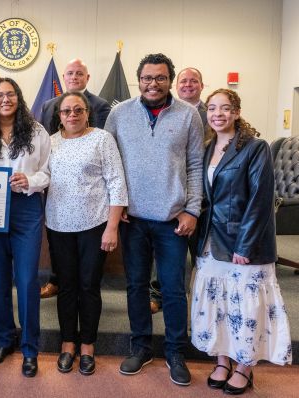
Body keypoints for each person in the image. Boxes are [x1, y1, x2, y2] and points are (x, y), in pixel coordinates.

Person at [104, 53, 204, 386]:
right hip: (133, 220)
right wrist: (115, 211)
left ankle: (176, 352)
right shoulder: (119, 114)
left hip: (172, 220)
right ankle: (141, 346)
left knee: (174, 290)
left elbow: (195, 166)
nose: (153, 83)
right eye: (147, 78)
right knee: (135, 287)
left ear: (170, 80)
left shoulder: (189, 116)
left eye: (160, 77)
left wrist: (192, 209)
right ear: (139, 80)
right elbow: (110, 165)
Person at [191, 88, 292, 394]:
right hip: (211, 241)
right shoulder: (207, 147)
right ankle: (223, 361)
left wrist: (245, 246)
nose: (217, 114)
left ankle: (245, 366)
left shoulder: (254, 147)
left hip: (242, 243)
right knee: (218, 303)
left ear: (236, 112)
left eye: (225, 108)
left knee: (245, 308)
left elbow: (261, 201)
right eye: (212, 109)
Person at [0, 77, 50, 378]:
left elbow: (47, 170)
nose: (5, 99)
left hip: (26, 208)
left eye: (10, 94)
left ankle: (30, 348)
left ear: (19, 97)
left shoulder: (37, 130)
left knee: (27, 280)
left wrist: (31, 180)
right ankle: (4, 339)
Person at [46, 92, 127, 375]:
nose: (72, 115)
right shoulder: (50, 142)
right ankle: (68, 343)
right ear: (59, 115)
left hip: (95, 226)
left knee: (89, 286)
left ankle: (88, 347)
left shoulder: (102, 139)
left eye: (77, 110)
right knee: (67, 287)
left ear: (87, 112)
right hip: (58, 226)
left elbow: (116, 182)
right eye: (66, 111)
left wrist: (112, 226)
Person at [38, 59, 111, 299]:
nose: (74, 77)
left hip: (90, 194)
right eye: (70, 73)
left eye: (80, 73)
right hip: (58, 189)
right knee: (63, 259)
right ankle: (56, 280)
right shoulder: (49, 104)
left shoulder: (100, 105)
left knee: (87, 277)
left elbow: (97, 143)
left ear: (87, 78)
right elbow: (45, 142)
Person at [149, 66, 208, 314]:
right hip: (168, 195)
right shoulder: (167, 113)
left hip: (201, 195)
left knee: (199, 250)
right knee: (164, 255)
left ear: (201, 86)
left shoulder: (211, 112)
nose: (188, 85)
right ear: (176, 85)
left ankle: (201, 297)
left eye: (193, 81)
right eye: (184, 81)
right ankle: (158, 294)